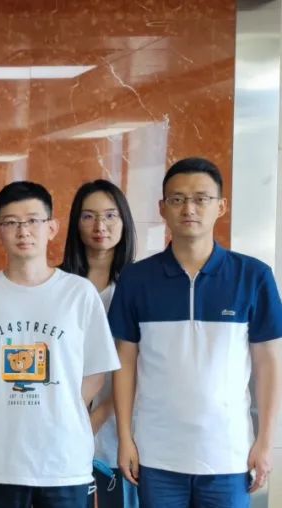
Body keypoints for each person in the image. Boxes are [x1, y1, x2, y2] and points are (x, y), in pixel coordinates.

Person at [109, 157, 282, 508]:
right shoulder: (136, 279)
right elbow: (124, 363)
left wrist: (265, 441)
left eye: (201, 198)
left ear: (221, 206)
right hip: (156, 455)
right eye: (177, 199)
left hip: (229, 455)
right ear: (162, 208)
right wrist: (125, 438)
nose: (189, 208)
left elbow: (269, 364)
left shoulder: (253, 276)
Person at [0, 181, 120, 508]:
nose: (23, 231)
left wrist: (59, 406)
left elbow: (96, 372)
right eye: (11, 222)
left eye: (33, 220)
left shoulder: (79, 293)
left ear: (52, 228)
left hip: (64, 463)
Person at [59, 180, 138, 508]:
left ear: (124, 221)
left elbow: (136, 366)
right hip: (61, 429)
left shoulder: (138, 286)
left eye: (110, 215)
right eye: (88, 216)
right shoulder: (58, 286)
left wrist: (93, 421)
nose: (100, 226)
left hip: (119, 431)